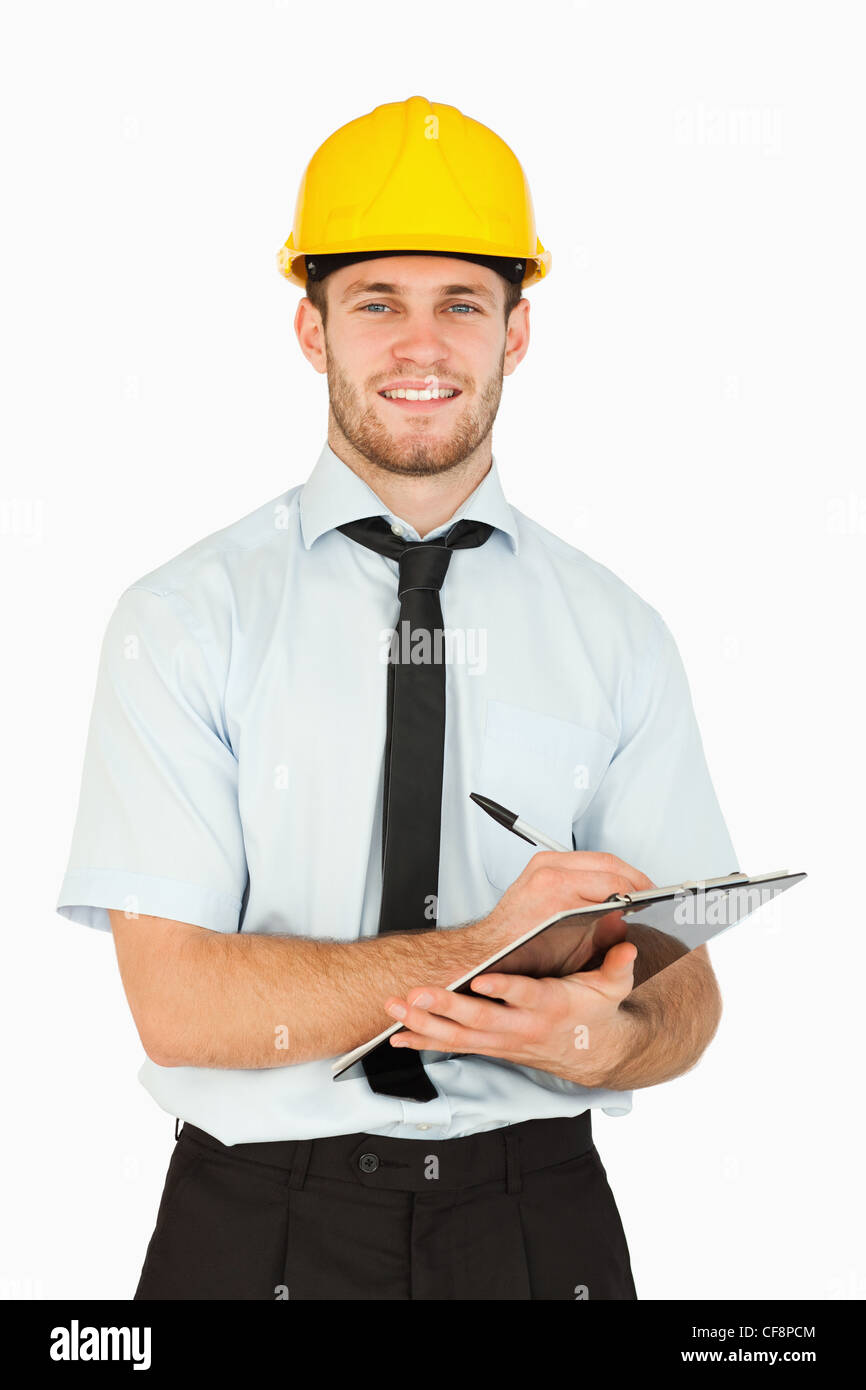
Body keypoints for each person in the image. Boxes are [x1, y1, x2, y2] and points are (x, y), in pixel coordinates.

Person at [56, 95, 736, 1301]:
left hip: (539, 1219)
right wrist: (486, 951)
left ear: (514, 332)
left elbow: (681, 982)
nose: (419, 346)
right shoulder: (180, 621)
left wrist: (600, 1037)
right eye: (376, 302)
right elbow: (180, 1006)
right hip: (258, 1220)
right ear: (312, 330)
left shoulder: (616, 633)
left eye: (459, 303)